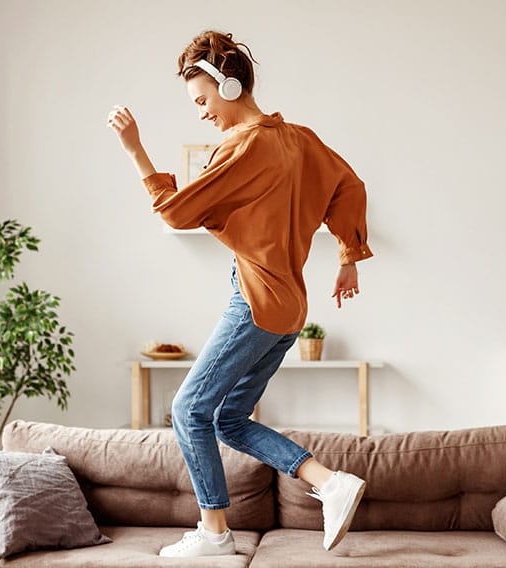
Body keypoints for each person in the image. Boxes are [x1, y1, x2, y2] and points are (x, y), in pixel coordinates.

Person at [106, 30, 373, 558]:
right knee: (227, 418)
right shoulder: (298, 138)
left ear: (229, 85)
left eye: (202, 100)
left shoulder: (242, 144)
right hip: (290, 307)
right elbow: (350, 185)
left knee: (187, 410)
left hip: (255, 298)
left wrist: (136, 150)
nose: (201, 113)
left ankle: (214, 533)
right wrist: (347, 256)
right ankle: (329, 482)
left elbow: (177, 211)